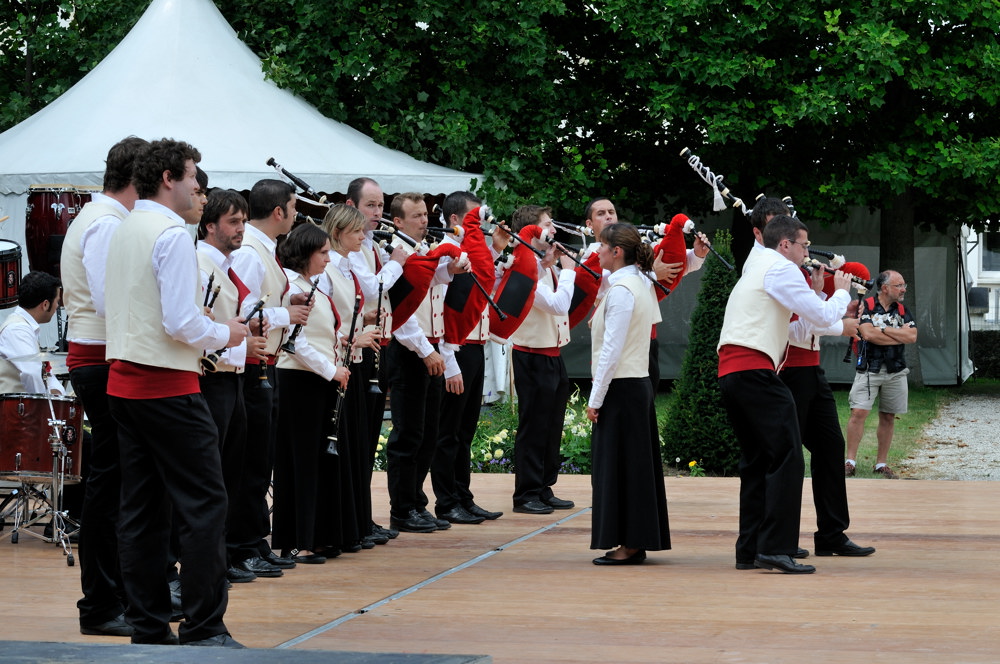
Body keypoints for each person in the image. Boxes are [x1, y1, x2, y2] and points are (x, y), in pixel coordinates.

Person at [104, 138, 246, 646]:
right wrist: (224, 333)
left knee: (141, 510)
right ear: (168, 177)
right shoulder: (169, 234)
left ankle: (148, 624)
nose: (198, 190)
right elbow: (181, 322)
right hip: (167, 386)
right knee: (205, 505)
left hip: (124, 382)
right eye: (192, 177)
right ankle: (205, 627)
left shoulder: (125, 229)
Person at [717, 215, 851, 575]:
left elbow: (804, 318)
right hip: (754, 370)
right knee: (788, 457)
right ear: (786, 244)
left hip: (733, 371)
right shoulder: (782, 268)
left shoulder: (757, 263)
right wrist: (841, 291)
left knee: (758, 461)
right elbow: (822, 317)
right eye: (805, 244)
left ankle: (750, 550)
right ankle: (775, 548)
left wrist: (819, 291)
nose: (808, 251)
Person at [750, 198, 876, 559]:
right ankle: (772, 539)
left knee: (830, 447)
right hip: (788, 369)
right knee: (782, 455)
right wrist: (837, 311)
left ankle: (832, 534)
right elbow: (795, 328)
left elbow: (814, 316)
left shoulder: (793, 270)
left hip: (810, 368)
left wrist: (825, 291)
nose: (800, 247)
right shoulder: (771, 270)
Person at [59, 136, 147, 638]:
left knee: (115, 482)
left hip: (101, 355)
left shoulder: (102, 218)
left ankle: (115, 595)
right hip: (100, 357)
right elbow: (111, 299)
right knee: (110, 485)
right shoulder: (107, 223)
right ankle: (101, 601)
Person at [229, 179, 312, 578]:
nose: (296, 214)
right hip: (251, 364)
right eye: (294, 207)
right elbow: (243, 311)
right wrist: (284, 315)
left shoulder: (263, 250)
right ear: (279, 211)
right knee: (250, 461)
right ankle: (242, 544)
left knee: (260, 460)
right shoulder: (249, 253)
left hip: (267, 361)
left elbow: (259, 301)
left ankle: (254, 540)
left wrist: (285, 302)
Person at [271, 221, 362, 563]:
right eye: (322, 252)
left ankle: (319, 535)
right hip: (300, 383)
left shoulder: (312, 286)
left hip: (318, 382)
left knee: (320, 461)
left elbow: (323, 333)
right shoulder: (293, 288)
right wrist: (331, 370)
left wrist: (341, 349)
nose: (327, 258)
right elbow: (296, 343)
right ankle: (297, 542)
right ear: (306, 253)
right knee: (302, 463)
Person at [586, 224, 670, 565]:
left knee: (622, 468)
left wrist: (595, 398)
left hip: (622, 386)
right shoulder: (639, 283)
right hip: (634, 385)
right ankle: (634, 538)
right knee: (632, 467)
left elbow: (612, 349)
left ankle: (631, 543)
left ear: (616, 252)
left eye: (602, 247)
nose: (598, 252)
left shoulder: (624, 289)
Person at [196, 189, 268, 584]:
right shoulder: (203, 263)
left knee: (230, 473)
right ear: (210, 226)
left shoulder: (223, 263)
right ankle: (208, 561)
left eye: (243, 221)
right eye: (233, 222)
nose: (241, 229)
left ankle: (219, 557)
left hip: (232, 376)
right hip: (212, 377)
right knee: (215, 475)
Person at [431, 191, 504, 524]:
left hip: (475, 347)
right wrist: (450, 362)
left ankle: (463, 494)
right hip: (454, 349)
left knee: (465, 431)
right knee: (449, 431)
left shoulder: (475, 251)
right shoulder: (447, 255)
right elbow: (445, 311)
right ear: (456, 221)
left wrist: (498, 250)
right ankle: (446, 501)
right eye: (475, 217)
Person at [385, 192, 453, 533]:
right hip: (410, 350)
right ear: (397, 221)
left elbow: (435, 281)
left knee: (427, 431)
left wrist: (450, 268)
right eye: (416, 216)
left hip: (430, 347)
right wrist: (424, 350)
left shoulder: (423, 250)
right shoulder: (396, 253)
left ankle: (416, 501)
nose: (424, 221)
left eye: (425, 214)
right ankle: (402, 507)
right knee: (408, 433)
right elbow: (401, 312)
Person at [344, 177, 406, 544]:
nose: (378, 213)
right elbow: (372, 288)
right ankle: (357, 519)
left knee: (369, 437)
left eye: (381, 205)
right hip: (357, 347)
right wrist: (397, 262)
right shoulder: (351, 248)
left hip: (377, 344)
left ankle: (365, 517)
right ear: (351, 207)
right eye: (371, 205)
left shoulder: (370, 245)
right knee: (359, 436)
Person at [319, 204, 382, 552]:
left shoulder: (347, 270)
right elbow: (323, 321)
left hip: (353, 361)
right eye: (357, 231)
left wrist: (364, 319)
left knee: (356, 447)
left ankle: (355, 524)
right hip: (337, 363)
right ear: (340, 232)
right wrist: (353, 335)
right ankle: (340, 529)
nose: (362, 237)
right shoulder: (329, 270)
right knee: (341, 447)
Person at [509, 204, 577, 515]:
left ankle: (544, 486)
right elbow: (557, 305)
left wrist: (557, 266)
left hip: (553, 353)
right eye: (548, 225)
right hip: (531, 355)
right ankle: (526, 493)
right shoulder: (523, 266)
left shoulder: (544, 264)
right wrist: (570, 270)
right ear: (533, 231)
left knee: (552, 426)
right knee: (534, 426)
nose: (554, 230)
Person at [844, 270, 917, 479]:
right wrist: (896, 333)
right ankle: (849, 462)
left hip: (896, 370)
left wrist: (882, 330)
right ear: (885, 288)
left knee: (888, 416)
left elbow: (912, 336)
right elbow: (866, 333)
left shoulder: (902, 309)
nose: (903, 289)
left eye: (904, 285)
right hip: (869, 368)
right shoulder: (865, 305)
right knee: (858, 413)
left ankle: (881, 464)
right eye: (899, 285)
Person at [0, 271, 63, 394]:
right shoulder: (17, 329)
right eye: (57, 301)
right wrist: (47, 407)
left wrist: (58, 394)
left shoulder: (24, 327)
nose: (57, 306)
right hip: (15, 412)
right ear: (45, 304)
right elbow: (31, 374)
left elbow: (42, 374)